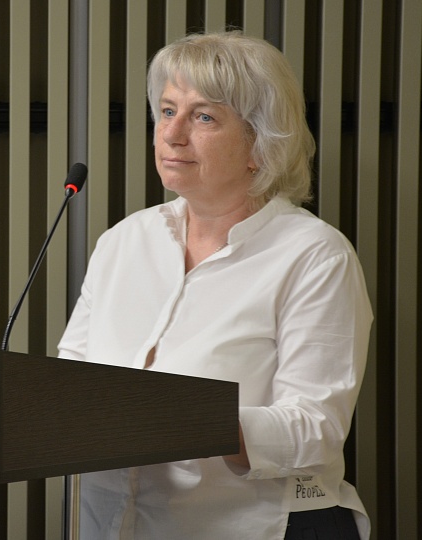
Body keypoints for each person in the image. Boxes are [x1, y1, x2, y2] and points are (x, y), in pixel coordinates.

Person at [57, 31, 372, 539]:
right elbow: (67, 386)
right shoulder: (123, 242)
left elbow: (316, 430)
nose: (172, 134)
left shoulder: (315, 255)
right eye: (167, 111)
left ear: (260, 144)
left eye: (203, 117)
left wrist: (182, 418)